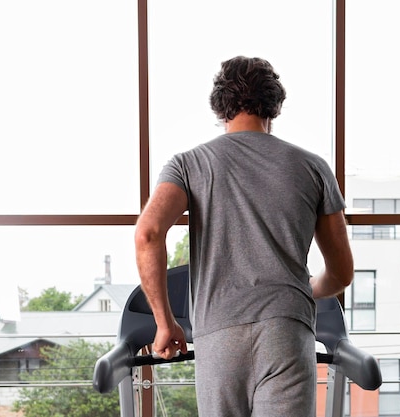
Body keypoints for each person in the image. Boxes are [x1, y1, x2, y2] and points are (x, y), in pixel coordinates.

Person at [134, 56, 354, 417]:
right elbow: (342, 274)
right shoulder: (313, 167)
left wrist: (165, 322)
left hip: (219, 332)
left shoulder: (188, 164)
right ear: (276, 104)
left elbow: (148, 234)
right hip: (286, 329)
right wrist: (299, 289)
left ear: (219, 106)